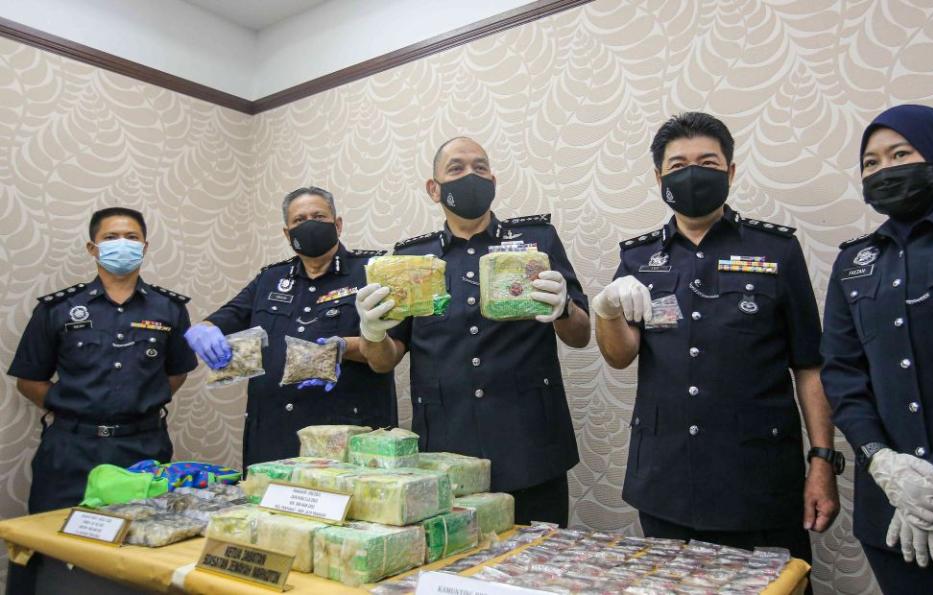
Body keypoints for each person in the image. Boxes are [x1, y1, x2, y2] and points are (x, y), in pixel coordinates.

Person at [593, 112, 840, 567]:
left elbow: (809, 364)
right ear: (658, 176)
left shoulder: (776, 250)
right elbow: (619, 356)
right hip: (665, 477)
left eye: (707, 162)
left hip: (758, 476)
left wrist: (822, 460)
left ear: (729, 171)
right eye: (678, 163)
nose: (693, 173)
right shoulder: (639, 256)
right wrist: (605, 311)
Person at [355, 137, 590, 526]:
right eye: (457, 168)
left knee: (536, 571)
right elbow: (384, 361)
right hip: (446, 451)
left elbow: (580, 335)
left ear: (494, 180)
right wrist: (372, 333)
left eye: (480, 168)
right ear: (434, 189)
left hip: (531, 444)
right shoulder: (412, 259)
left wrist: (564, 308)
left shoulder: (537, 242)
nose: (471, 176)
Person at [6, 207, 197, 595]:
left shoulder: (169, 309)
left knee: (142, 549)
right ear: (92, 248)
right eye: (111, 238)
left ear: (145, 246)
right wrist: (74, 408)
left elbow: (177, 373)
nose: (122, 244)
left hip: (141, 450)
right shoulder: (57, 309)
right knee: (50, 544)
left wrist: (135, 406)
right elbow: (29, 379)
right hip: (70, 450)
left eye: (131, 237)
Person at [821, 104, 933, 593]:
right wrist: (882, 461)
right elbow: (840, 373)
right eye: (871, 162)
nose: (884, 169)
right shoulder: (855, 262)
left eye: (901, 153)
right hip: (889, 499)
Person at [185, 187, 396, 468]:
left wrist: (346, 347)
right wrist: (205, 330)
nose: (309, 224)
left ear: (338, 224)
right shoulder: (270, 279)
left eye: (318, 216)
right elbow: (226, 316)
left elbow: (388, 356)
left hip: (343, 438)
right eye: (299, 220)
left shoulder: (373, 271)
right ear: (287, 233)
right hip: (272, 437)